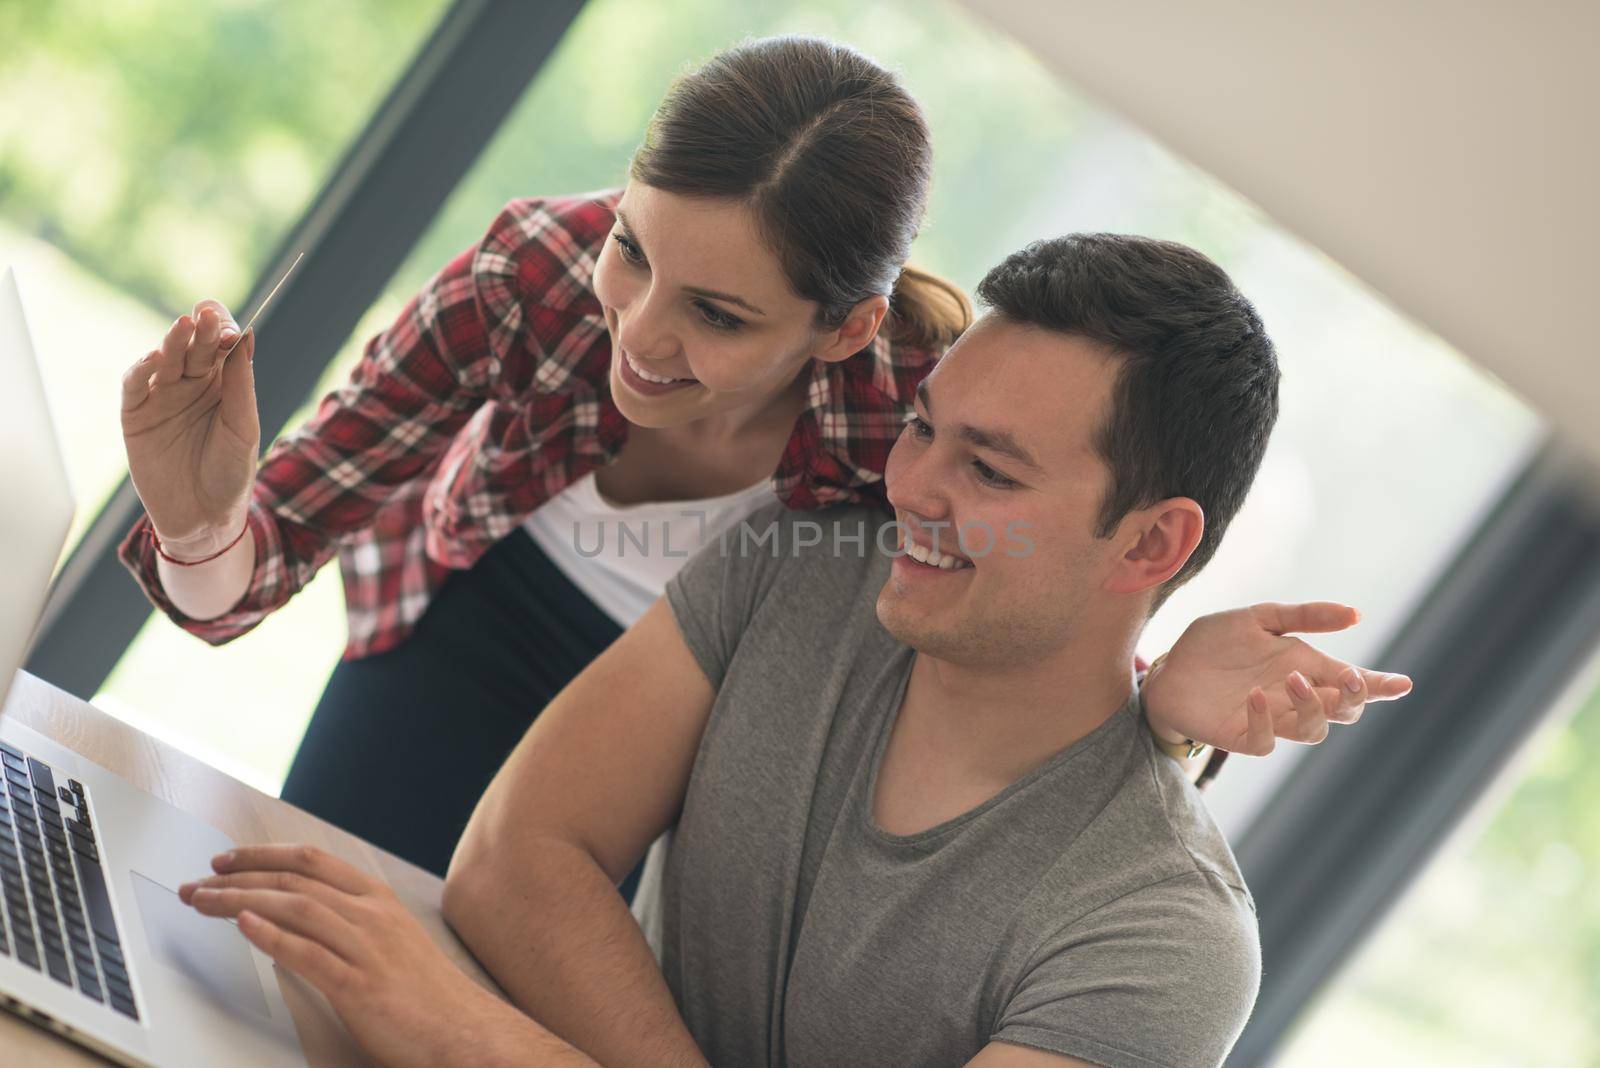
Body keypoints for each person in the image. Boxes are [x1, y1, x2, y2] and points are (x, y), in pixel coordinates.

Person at [120, 35, 1388, 883]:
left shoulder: (910, 413)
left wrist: (1165, 704)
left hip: (690, 742)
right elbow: (251, 563)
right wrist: (199, 521)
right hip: (455, 632)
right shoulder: (532, 278)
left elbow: (1027, 621)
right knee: (286, 923)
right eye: (634, 248)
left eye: (719, 315)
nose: (642, 332)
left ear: (842, 327)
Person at [177, 233, 1413, 1067]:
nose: (912, 486)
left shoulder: (1162, 941)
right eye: (926, 428)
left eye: (988, 468)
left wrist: (476, 1038)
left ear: (1150, 545)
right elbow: (518, 856)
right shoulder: (802, 566)